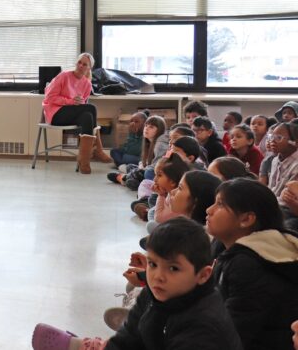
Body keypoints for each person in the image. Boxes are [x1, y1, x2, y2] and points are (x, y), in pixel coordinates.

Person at [31, 218, 243, 350]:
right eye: (152, 264)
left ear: (204, 275)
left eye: (173, 268)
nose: (157, 276)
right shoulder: (156, 293)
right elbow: (126, 339)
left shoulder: (204, 327)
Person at [206, 179, 298, 350]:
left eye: (220, 205)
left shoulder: (249, 264)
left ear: (247, 219)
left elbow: (232, 335)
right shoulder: (228, 246)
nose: (209, 210)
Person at [42, 52, 111, 174]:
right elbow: (49, 98)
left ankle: (84, 161)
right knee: (91, 108)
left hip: (72, 114)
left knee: (87, 116)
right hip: (56, 114)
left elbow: (82, 105)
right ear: (76, 63)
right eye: (79, 62)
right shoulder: (63, 76)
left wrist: (77, 103)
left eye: (85, 64)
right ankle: (98, 149)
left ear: (89, 68)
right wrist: (70, 101)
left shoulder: (87, 84)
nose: (81, 66)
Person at [269, 122, 298, 230]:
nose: (272, 140)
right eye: (271, 136)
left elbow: (288, 199)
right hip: (275, 204)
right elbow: (272, 188)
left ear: (294, 142)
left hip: (289, 210)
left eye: (278, 137)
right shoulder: (275, 160)